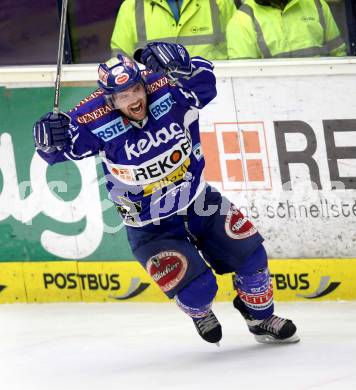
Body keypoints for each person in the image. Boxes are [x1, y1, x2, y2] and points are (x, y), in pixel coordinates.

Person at [33, 42, 299, 345]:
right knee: (199, 291)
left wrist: (184, 65)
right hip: (150, 226)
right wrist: (47, 140)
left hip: (200, 202)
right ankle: (199, 312)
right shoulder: (92, 118)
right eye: (123, 96)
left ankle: (260, 319)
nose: (134, 99)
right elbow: (56, 152)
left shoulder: (167, 89)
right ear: (109, 100)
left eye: (136, 89)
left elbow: (205, 85)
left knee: (253, 259)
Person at [110, 0, 236, 60]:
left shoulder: (220, 2)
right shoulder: (131, 7)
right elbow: (119, 62)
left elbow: (238, 56)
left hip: (214, 97)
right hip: (157, 100)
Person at [227, 0, 347, 59]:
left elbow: (338, 57)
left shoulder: (316, 4)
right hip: (271, 102)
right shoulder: (242, 20)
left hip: (323, 96)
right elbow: (244, 80)